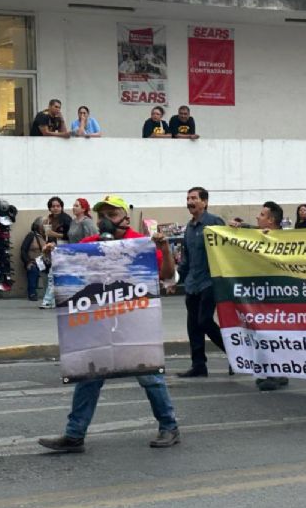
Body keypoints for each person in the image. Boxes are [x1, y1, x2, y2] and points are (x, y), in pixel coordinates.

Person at [38, 195, 180, 453]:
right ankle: (74, 435)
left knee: (149, 375)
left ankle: (169, 426)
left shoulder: (141, 243)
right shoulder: (90, 244)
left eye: (112, 215)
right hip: (99, 324)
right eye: (102, 216)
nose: (105, 221)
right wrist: (52, 254)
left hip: (134, 323)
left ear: (126, 217)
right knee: (88, 377)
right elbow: (68, 261)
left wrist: (166, 248)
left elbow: (168, 276)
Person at [175, 187, 229, 377]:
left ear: (204, 202)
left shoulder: (214, 223)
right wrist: (174, 278)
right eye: (188, 198)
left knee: (205, 321)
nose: (189, 202)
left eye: (194, 198)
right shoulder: (189, 228)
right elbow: (186, 259)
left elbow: (227, 251)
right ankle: (198, 365)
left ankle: (234, 354)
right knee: (193, 326)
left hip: (210, 282)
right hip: (192, 284)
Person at [254, 201, 292, 392]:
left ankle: (275, 373)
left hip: (280, 295)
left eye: (261, 215)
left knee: (274, 332)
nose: (257, 218)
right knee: (265, 332)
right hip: (263, 292)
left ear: (270, 220)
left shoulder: (286, 240)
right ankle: (275, 371)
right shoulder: (256, 236)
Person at [36, 197, 73, 309]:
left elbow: (69, 236)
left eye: (58, 206)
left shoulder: (66, 219)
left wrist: (54, 234)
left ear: (61, 207)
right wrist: (47, 245)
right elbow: (47, 235)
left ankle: (48, 301)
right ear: (49, 208)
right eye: (53, 206)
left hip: (63, 248)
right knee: (53, 275)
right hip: (52, 248)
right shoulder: (49, 219)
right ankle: (56, 300)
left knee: (52, 275)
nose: (55, 208)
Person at [20, 219, 47, 301]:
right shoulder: (31, 235)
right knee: (33, 269)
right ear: (39, 226)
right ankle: (32, 293)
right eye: (45, 224)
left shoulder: (48, 235)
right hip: (33, 261)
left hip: (44, 261)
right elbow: (23, 250)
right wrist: (27, 262)